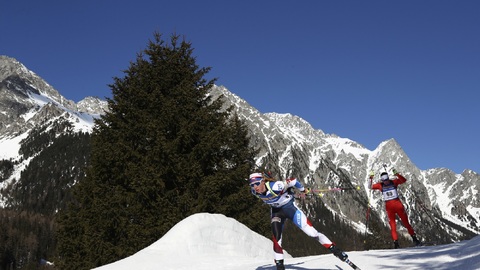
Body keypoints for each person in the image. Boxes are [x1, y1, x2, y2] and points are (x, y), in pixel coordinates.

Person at [248, 172, 349, 270]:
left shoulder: (275, 186)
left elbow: (293, 181)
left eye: (257, 183)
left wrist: (303, 190)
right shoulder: (254, 192)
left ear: (262, 181)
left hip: (290, 209)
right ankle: (279, 266)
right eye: (252, 185)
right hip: (276, 212)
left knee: (312, 233)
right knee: (276, 238)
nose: (255, 187)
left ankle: (337, 251)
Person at [369, 169, 421, 248]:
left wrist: (397, 174)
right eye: (384, 181)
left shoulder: (394, 182)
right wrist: (371, 177)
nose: (386, 182)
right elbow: (370, 186)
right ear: (382, 180)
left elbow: (403, 180)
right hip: (390, 208)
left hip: (398, 206)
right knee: (393, 226)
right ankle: (396, 243)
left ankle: (414, 238)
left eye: (386, 180)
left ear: (388, 178)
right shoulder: (380, 185)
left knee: (406, 222)